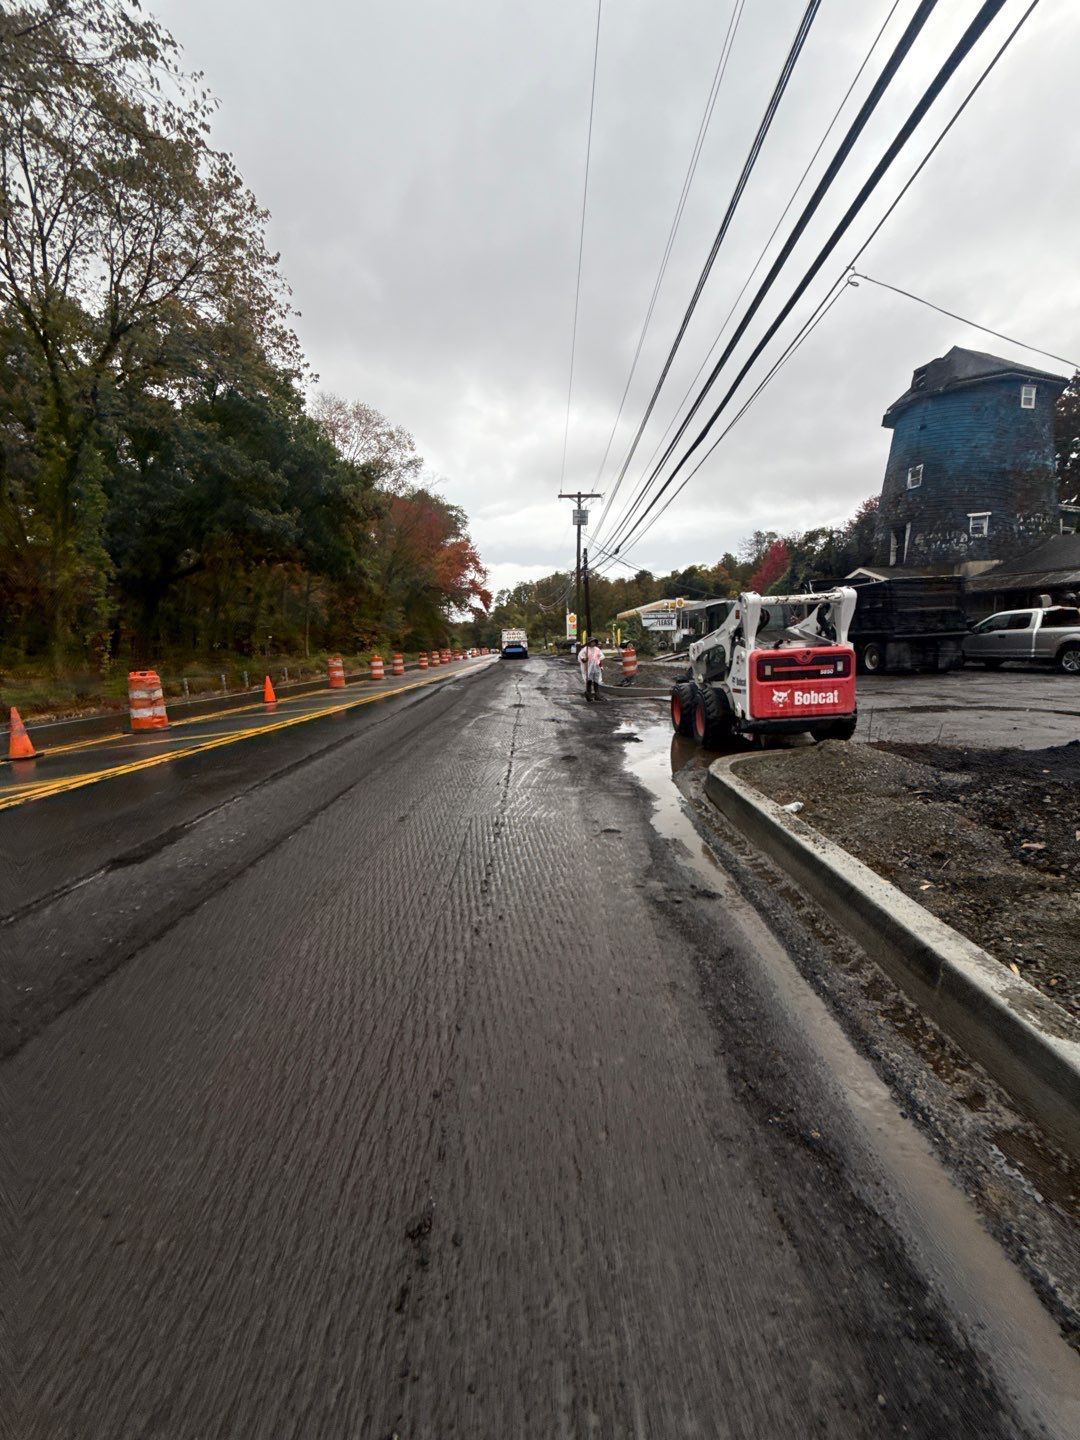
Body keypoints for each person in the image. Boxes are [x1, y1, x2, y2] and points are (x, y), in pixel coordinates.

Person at [583, 637, 604, 702]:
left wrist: (600, 663)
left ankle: (597, 695)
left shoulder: (597, 649)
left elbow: (601, 656)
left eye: (594, 642)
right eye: (592, 642)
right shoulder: (585, 649)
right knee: (589, 681)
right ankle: (588, 694)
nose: (593, 643)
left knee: (596, 681)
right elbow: (582, 658)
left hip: (596, 667)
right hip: (589, 667)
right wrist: (584, 660)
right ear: (589, 643)